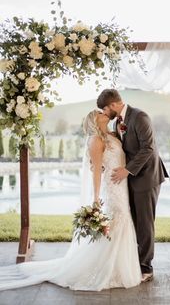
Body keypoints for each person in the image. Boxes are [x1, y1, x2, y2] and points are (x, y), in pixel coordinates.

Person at [0, 109, 142, 291]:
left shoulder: (113, 134)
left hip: (122, 186)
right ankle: (105, 270)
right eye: (100, 113)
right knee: (117, 220)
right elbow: (97, 171)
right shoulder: (95, 140)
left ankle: (118, 268)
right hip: (111, 189)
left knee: (122, 221)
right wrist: (96, 198)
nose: (104, 113)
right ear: (94, 120)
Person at [97, 89, 169, 282]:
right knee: (135, 221)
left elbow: (148, 148)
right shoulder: (117, 122)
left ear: (112, 105)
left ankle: (146, 268)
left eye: (105, 108)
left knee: (145, 223)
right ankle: (136, 261)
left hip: (147, 177)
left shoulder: (140, 117)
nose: (105, 113)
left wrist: (127, 170)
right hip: (131, 179)